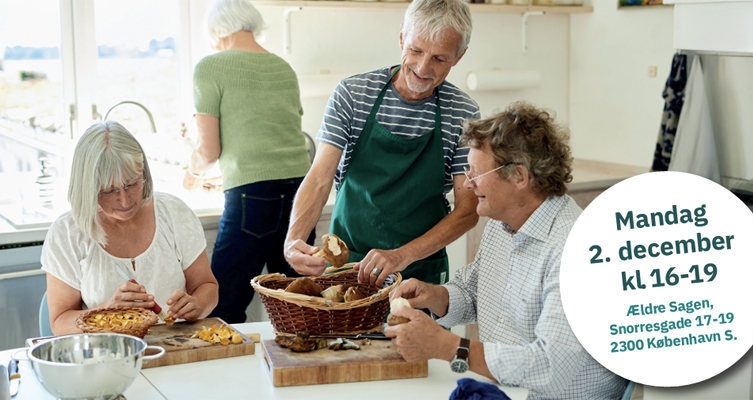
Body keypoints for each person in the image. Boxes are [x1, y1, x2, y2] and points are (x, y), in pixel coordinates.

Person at [384, 102, 627, 399]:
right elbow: (475, 294)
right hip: (502, 391)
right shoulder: (503, 224)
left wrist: (449, 347)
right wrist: (436, 296)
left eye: (476, 173)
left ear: (519, 177)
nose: (468, 184)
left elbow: (550, 368)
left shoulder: (574, 250)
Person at [284, 0, 480, 288]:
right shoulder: (353, 94)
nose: (423, 68)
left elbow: (468, 209)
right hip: (348, 266)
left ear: (459, 56)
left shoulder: (463, 113)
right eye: (415, 50)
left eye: (440, 59)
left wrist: (402, 256)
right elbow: (319, 178)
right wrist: (294, 240)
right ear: (402, 38)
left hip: (419, 271)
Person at [183, 0, 313, 323]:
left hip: (252, 199)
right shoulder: (284, 68)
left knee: (221, 309)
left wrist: (191, 173)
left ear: (215, 31)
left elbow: (209, 151)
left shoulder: (210, 66)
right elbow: (272, 137)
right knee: (301, 311)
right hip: (301, 193)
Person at [41, 121, 219, 335]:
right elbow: (59, 324)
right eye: (109, 190)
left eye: (132, 184)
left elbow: (207, 286)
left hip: (174, 349)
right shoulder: (67, 234)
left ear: (143, 172)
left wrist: (197, 305)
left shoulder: (173, 213)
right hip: (104, 357)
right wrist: (106, 312)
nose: (125, 201)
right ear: (87, 187)